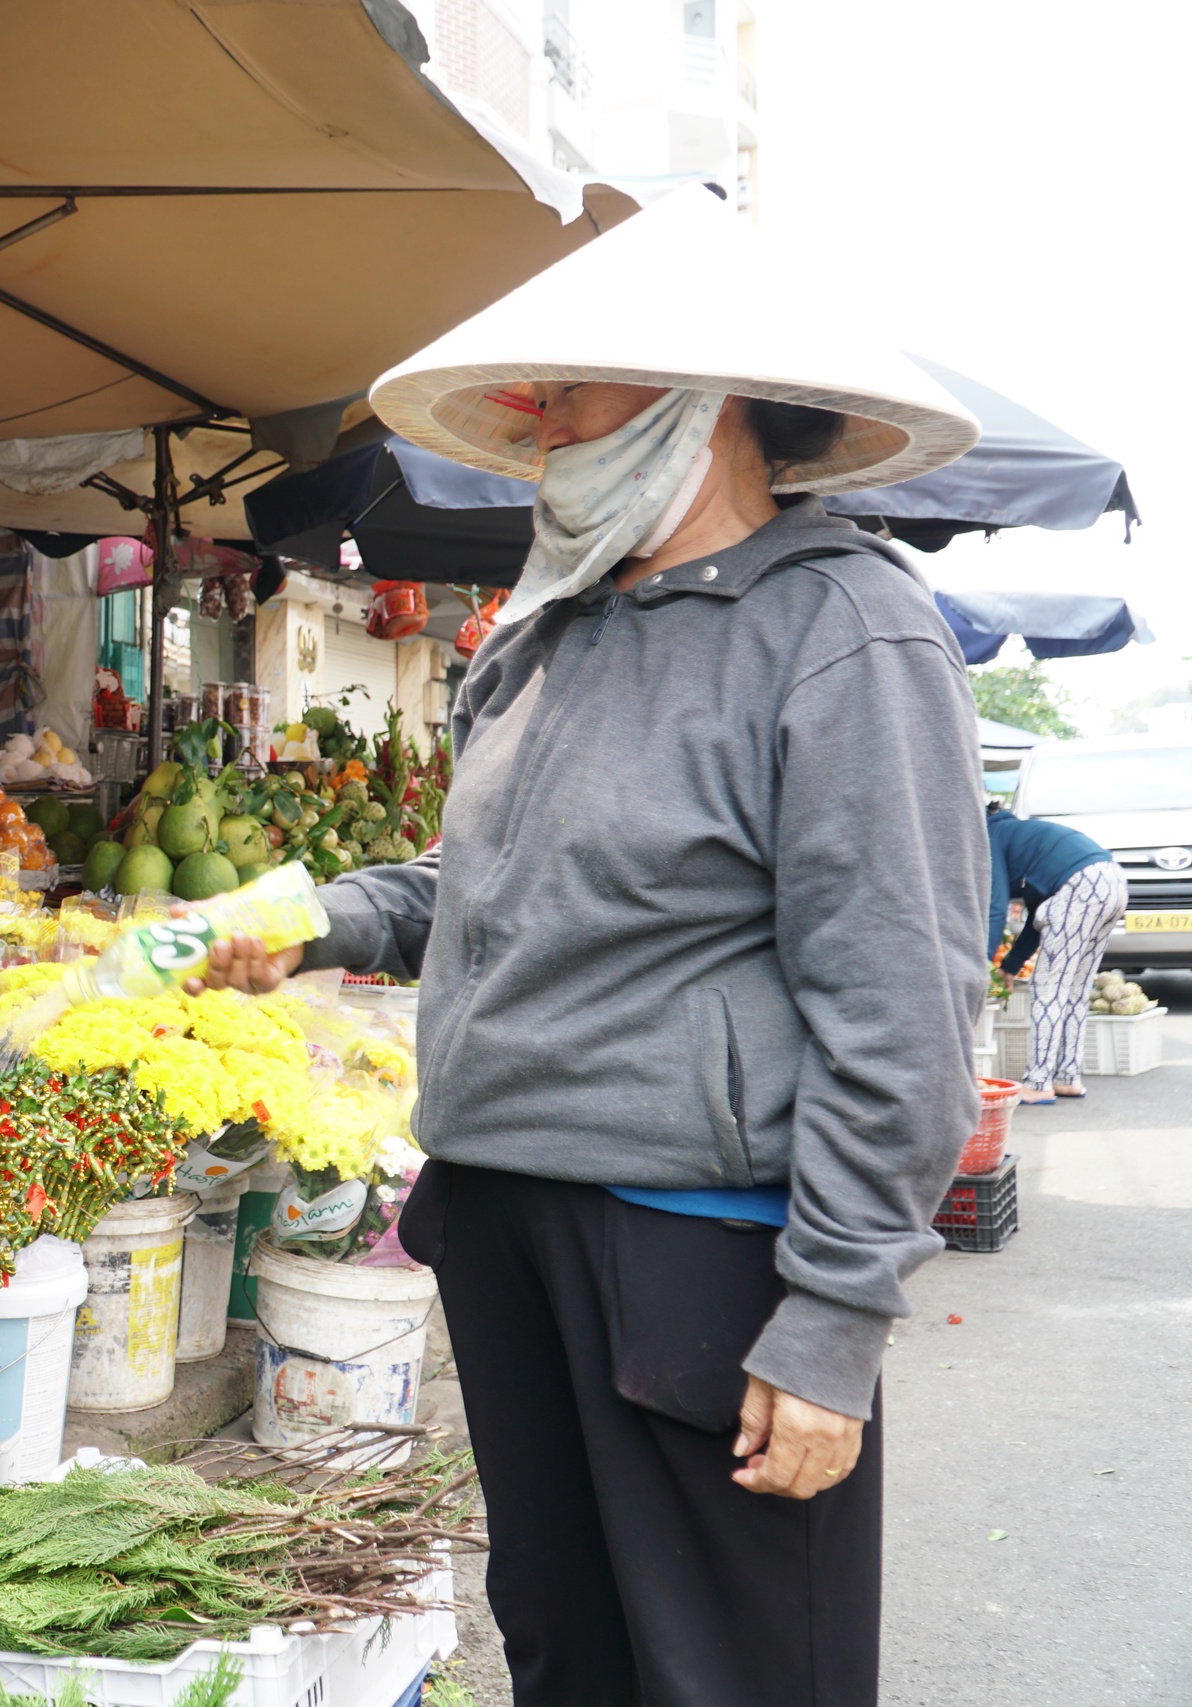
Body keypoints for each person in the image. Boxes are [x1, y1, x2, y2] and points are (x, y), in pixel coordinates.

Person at [191, 193, 987, 1707]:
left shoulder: (839, 632)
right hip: (506, 1218)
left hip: (693, 1244)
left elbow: (904, 1002)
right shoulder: (546, 629)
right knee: (568, 1652)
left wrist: (829, 1324)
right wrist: (318, 917)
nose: (534, 414)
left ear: (710, 400)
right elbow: (488, 873)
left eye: (576, 383)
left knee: (731, 1673)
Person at [987, 800, 1123, 1101]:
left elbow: (994, 908)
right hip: (1113, 880)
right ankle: (1068, 1077)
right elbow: (1038, 917)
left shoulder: (989, 836)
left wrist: (982, 962)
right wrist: (1010, 964)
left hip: (1080, 887)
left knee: (1048, 987)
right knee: (1075, 987)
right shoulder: (1023, 836)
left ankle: (1037, 1083)